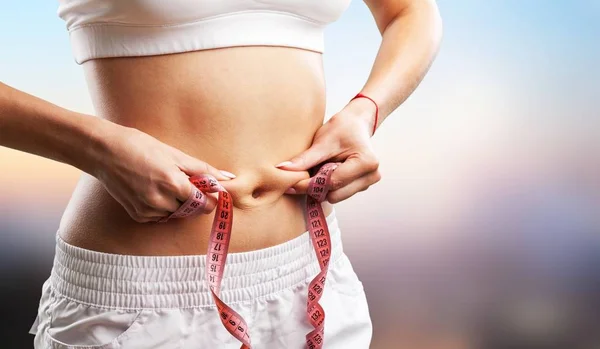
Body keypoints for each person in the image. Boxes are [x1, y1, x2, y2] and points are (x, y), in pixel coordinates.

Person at [0, 0, 442, 348]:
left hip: (314, 275)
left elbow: (412, 10)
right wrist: (94, 146)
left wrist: (366, 111)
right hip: (147, 300)